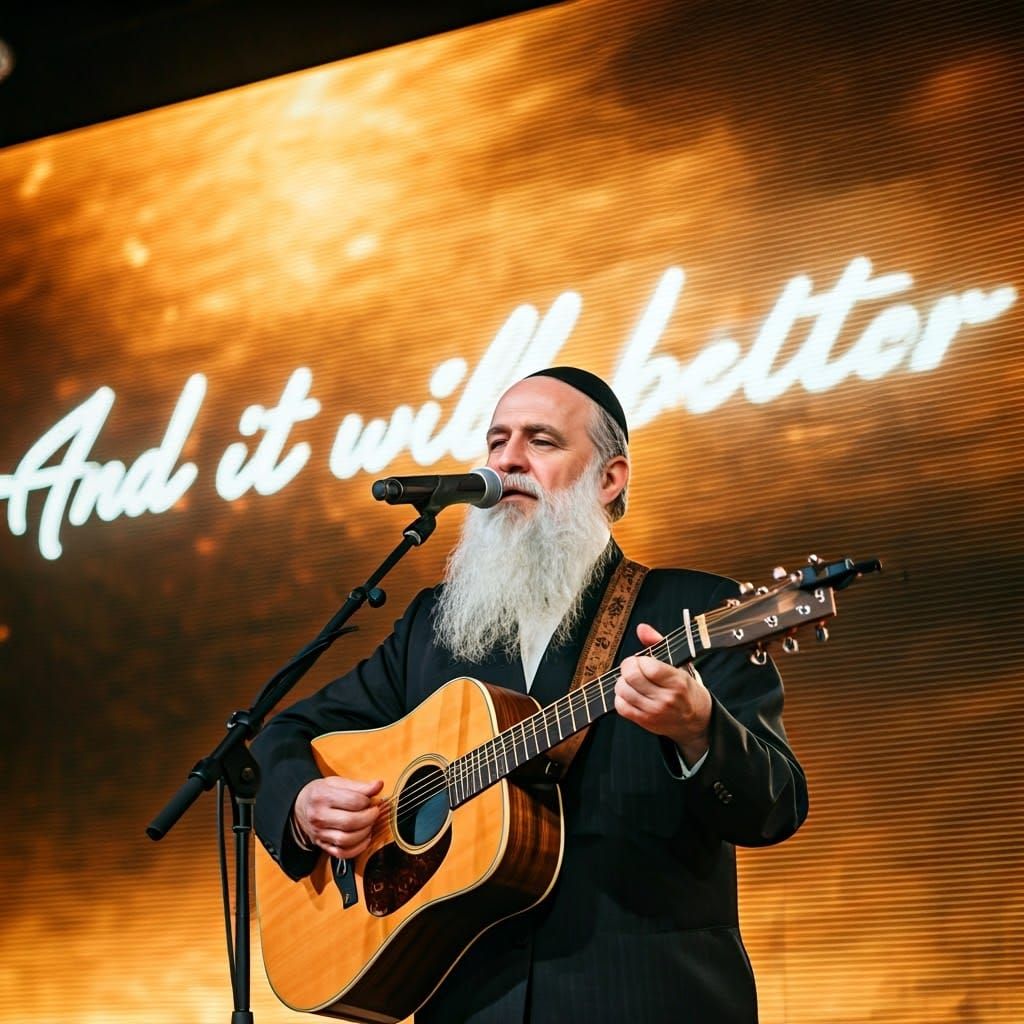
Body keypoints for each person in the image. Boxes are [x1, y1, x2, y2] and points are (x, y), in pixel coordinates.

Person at [252, 366, 809, 1024]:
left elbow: (775, 807)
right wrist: (303, 803)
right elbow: (282, 735)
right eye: (495, 442)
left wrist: (698, 730)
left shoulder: (695, 610)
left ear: (610, 478)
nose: (508, 459)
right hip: (466, 1004)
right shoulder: (437, 626)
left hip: (642, 998)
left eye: (540, 441)